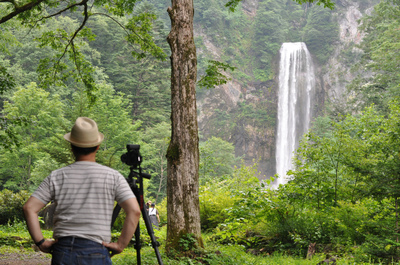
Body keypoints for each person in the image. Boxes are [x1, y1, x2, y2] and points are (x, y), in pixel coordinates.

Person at [23, 117, 141, 265]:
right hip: (97, 249)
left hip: (63, 250)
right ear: (97, 146)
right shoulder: (113, 177)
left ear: (71, 147)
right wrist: (120, 245)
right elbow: (135, 211)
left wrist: (40, 242)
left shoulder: (56, 176)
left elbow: (29, 208)